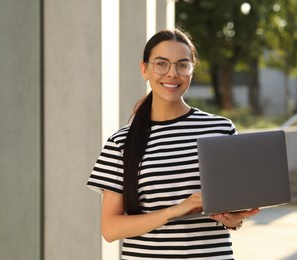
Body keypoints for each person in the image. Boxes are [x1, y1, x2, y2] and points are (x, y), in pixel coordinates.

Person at [87, 28, 260, 259]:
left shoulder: (220, 130)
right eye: (161, 64)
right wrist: (177, 210)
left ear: (192, 69)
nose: (172, 73)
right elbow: (110, 229)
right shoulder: (121, 143)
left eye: (182, 65)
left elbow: (233, 205)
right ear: (144, 69)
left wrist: (235, 220)